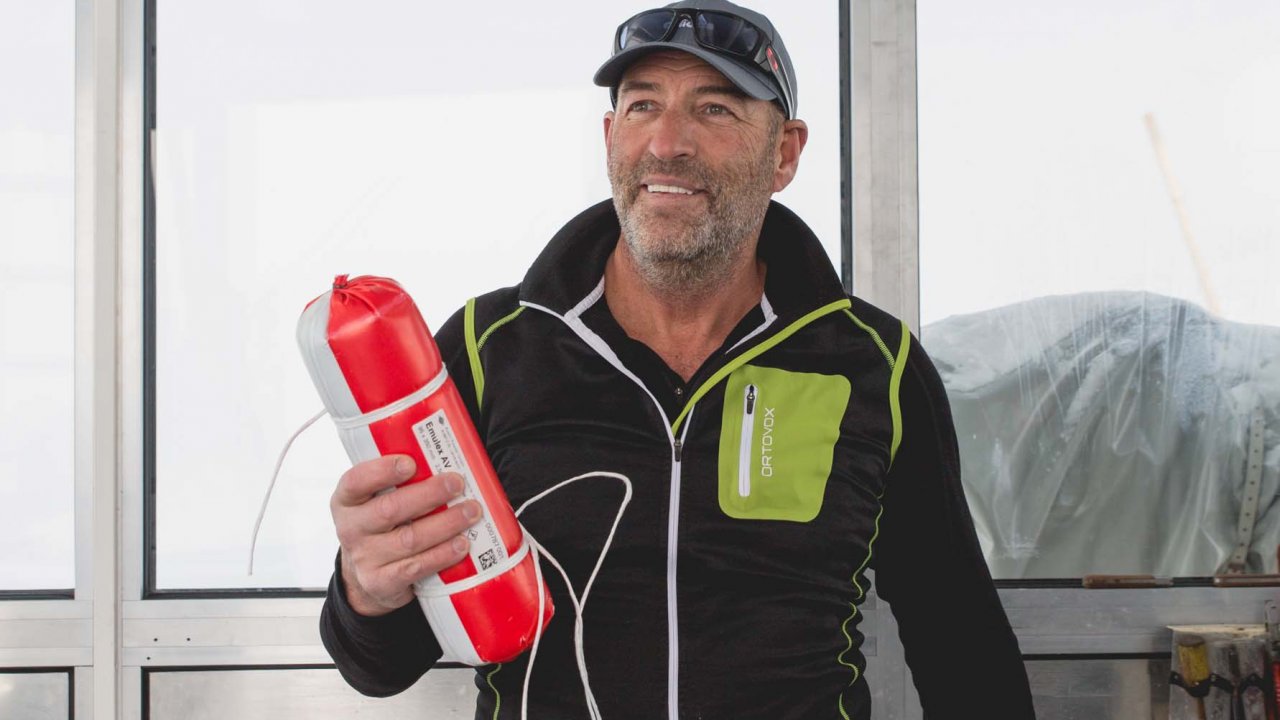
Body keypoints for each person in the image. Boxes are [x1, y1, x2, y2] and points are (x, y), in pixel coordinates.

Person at [319, 1, 1036, 718]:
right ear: (610, 137)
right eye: (642, 106)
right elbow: (382, 666)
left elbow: (961, 647)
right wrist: (367, 591)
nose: (667, 143)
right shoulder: (486, 349)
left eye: (715, 109)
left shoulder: (874, 366)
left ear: (784, 152)